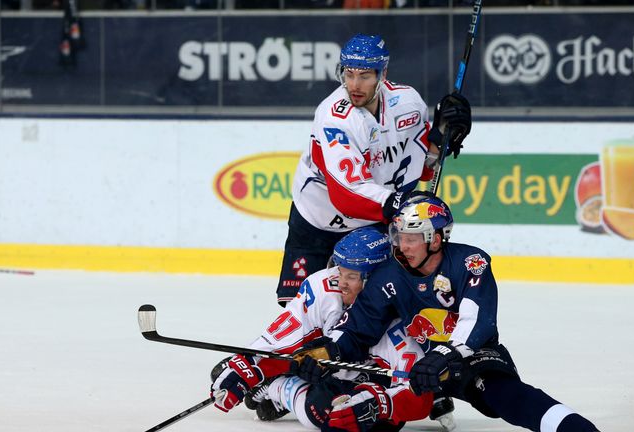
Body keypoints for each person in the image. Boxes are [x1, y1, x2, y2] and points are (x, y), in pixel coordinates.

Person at [292, 195, 602, 432]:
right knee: (366, 420)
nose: (402, 246)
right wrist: (327, 351)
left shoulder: (470, 263)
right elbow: (359, 329)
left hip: (470, 358)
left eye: (411, 238)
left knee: (505, 397)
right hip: (419, 368)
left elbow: (477, 322)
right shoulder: (388, 275)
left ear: (436, 239)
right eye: (399, 237)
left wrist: (444, 354)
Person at [276, 33, 472, 306]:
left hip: (373, 220)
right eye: (349, 74)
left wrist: (443, 135)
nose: (354, 85)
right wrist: (400, 203)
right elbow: (347, 194)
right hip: (317, 221)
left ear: (383, 73)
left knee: (377, 302)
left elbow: (422, 167)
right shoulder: (335, 117)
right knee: (302, 307)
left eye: (365, 75)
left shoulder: (408, 104)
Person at [210, 226, 455, 430]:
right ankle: (281, 385)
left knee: (347, 417)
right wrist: (247, 368)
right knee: (319, 407)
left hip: (374, 375)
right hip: (326, 363)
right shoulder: (323, 289)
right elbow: (279, 341)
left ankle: (285, 387)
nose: (341, 284)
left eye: (351, 277)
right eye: (340, 272)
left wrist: (380, 402)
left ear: (376, 280)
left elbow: (416, 392)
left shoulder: (404, 313)